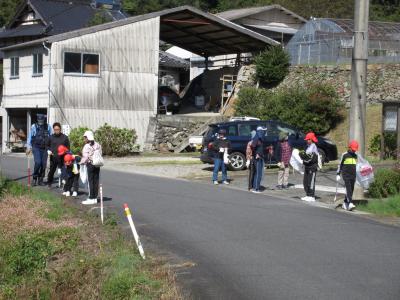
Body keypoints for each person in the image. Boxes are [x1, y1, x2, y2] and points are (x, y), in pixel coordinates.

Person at [26, 114, 52, 186]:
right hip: (36, 147)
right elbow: (30, 137)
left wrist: (51, 148)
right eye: (39, 120)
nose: (40, 121)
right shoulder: (34, 126)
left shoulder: (48, 127)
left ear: (44, 120)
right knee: (38, 162)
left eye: (42, 120)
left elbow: (51, 137)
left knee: (44, 165)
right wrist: (28, 147)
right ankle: (34, 178)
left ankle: (40, 179)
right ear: (37, 120)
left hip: (45, 148)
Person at [80, 131, 102, 205]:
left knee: (90, 181)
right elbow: (100, 153)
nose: (84, 139)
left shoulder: (86, 146)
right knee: (96, 181)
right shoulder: (98, 144)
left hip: (90, 164)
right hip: (97, 164)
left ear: (88, 137)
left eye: (85, 137)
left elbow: (85, 157)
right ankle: (95, 198)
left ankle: (91, 198)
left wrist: (81, 162)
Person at [337, 140, 358, 211]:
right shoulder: (344, 155)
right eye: (353, 149)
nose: (354, 151)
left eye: (355, 150)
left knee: (351, 190)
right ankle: (350, 203)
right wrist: (338, 174)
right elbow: (340, 165)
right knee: (348, 189)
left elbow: (357, 165)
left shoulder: (355, 155)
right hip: (346, 175)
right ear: (349, 147)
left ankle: (345, 203)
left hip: (353, 175)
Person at [46, 122, 70, 188]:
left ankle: (63, 184)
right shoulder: (50, 137)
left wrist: (67, 155)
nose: (57, 131)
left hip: (62, 158)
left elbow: (68, 148)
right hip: (53, 157)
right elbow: (47, 146)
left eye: (58, 129)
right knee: (51, 171)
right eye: (55, 129)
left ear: (60, 129)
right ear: (53, 129)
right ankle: (49, 183)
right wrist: (48, 150)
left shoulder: (65, 137)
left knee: (64, 172)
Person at [300, 132, 319, 202]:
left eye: (308, 139)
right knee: (305, 181)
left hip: (312, 167)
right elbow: (306, 156)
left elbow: (310, 157)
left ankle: (312, 196)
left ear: (312, 139)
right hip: (307, 166)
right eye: (307, 139)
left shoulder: (313, 146)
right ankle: (308, 194)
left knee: (311, 182)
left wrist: (305, 157)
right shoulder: (308, 146)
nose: (307, 141)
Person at [251, 126, 267, 194]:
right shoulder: (256, 138)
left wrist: (267, 149)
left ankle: (256, 187)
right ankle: (256, 188)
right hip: (257, 158)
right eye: (263, 131)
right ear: (260, 131)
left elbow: (260, 148)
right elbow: (253, 146)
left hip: (260, 157)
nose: (264, 132)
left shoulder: (260, 138)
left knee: (258, 173)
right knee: (258, 173)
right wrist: (256, 154)